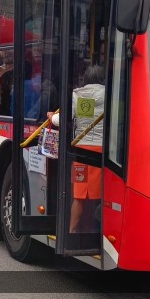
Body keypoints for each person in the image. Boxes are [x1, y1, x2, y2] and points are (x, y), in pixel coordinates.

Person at [48, 64, 104, 233]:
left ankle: (72, 231)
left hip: (81, 151)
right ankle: (97, 232)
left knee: (79, 196)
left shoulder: (78, 95)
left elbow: (63, 119)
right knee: (102, 196)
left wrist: (52, 117)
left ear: (86, 79)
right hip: (103, 152)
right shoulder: (112, 94)